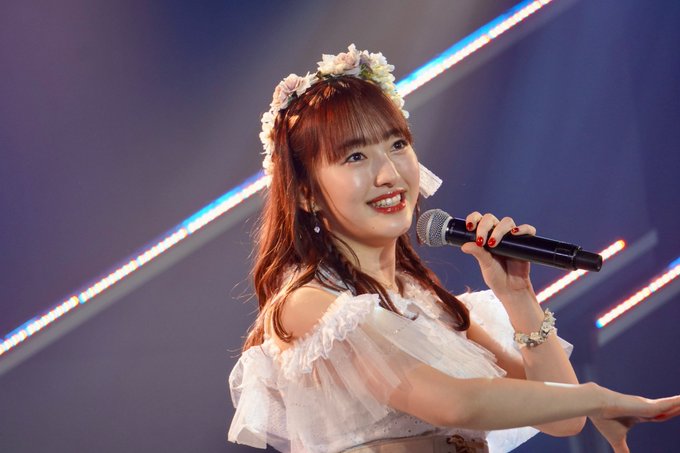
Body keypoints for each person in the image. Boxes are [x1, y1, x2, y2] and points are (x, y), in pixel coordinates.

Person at [227, 44, 680, 453]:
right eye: (355, 156)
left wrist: (518, 296)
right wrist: (599, 398)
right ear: (305, 192)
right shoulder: (309, 306)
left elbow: (563, 419)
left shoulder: (428, 304)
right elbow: (455, 403)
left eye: (397, 144)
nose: (389, 174)